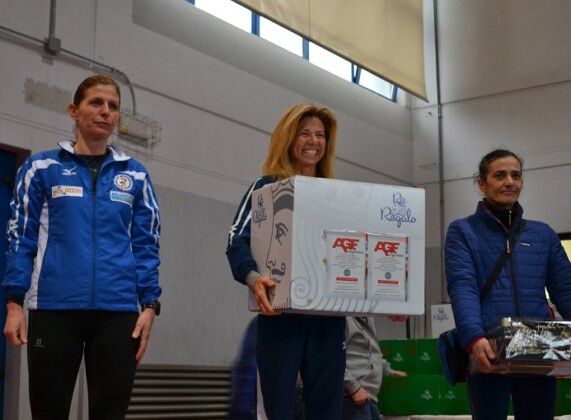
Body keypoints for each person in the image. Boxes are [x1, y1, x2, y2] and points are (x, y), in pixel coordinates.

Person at [2, 74, 162, 420]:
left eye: (113, 106)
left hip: (118, 313)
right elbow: (20, 238)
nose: (106, 111)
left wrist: (150, 305)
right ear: (74, 110)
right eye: (96, 102)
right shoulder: (41, 168)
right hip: (54, 308)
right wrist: (14, 302)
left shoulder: (136, 176)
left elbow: (147, 245)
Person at [226, 104, 345, 420]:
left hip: (328, 320)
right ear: (288, 138)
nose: (313, 141)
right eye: (304, 133)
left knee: (328, 412)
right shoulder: (265, 188)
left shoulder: (338, 195)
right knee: (276, 410)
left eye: (320, 135)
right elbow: (236, 240)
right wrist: (253, 277)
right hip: (279, 316)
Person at [444, 148, 571, 420]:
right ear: (482, 183)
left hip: (539, 348)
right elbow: (462, 286)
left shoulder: (543, 234)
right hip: (489, 350)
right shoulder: (462, 231)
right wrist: (474, 337)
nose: (509, 182)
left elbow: (565, 289)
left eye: (516, 175)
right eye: (500, 175)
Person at [343, 316, 407, 420]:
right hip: (353, 398)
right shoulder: (342, 318)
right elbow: (333, 361)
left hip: (369, 396)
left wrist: (387, 370)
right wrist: (353, 388)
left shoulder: (368, 316)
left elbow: (373, 351)